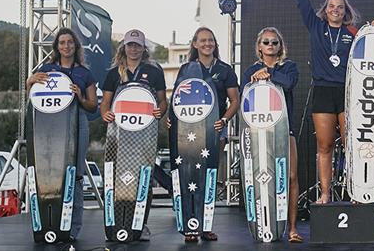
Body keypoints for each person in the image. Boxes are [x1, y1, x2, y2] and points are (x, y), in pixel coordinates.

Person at [294, 0, 359, 203]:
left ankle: (355, 192)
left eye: (340, 7)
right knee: (325, 146)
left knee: (350, 146)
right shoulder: (315, 26)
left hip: (346, 92)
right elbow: (302, 2)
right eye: (331, 6)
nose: (335, 10)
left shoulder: (352, 32)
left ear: (345, 11)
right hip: (322, 91)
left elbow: (370, 45)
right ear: (326, 9)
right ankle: (325, 193)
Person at [25, 28, 98, 242]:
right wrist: (29, 81)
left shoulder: (85, 73)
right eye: (62, 42)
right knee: (46, 173)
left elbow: (93, 106)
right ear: (57, 47)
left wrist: (80, 96)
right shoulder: (46, 69)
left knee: (74, 176)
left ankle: (71, 229)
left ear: (76, 46)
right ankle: (46, 226)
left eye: (70, 42)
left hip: (77, 126)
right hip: (48, 128)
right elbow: (31, 97)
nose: (66, 46)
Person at [100, 29, 167, 241]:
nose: (134, 49)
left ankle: (140, 223)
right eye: (130, 45)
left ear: (143, 48)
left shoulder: (154, 71)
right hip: (119, 136)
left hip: (144, 134)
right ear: (124, 47)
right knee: (117, 178)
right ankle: (117, 223)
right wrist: (105, 114)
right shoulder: (113, 73)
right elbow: (105, 103)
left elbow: (162, 101)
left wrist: (160, 110)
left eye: (138, 45)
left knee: (143, 178)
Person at [175, 26, 239, 242]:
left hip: (214, 132)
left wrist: (224, 120)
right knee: (188, 179)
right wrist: (170, 120)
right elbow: (177, 98)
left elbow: (235, 101)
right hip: (188, 134)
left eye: (210, 40)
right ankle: (190, 226)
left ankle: (206, 225)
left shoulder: (225, 69)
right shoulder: (185, 69)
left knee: (209, 177)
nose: (207, 44)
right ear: (194, 44)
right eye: (202, 40)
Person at [241, 27, 302, 243]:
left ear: (280, 46)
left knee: (291, 177)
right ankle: (262, 226)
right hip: (258, 132)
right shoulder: (250, 70)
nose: (270, 46)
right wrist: (255, 77)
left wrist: (270, 73)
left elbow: (290, 83)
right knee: (260, 177)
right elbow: (243, 98)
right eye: (266, 42)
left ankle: (292, 228)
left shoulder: (289, 67)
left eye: (274, 42)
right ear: (259, 46)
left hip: (285, 130)